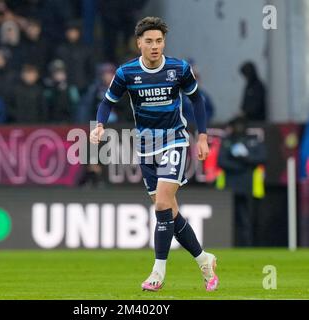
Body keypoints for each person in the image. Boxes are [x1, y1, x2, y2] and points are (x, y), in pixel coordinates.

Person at [89, 17, 218, 292]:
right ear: (139, 44)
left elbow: (196, 99)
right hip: (146, 147)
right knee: (169, 212)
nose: (155, 46)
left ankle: (157, 272)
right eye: (149, 41)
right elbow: (106, 102)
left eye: (159, 40)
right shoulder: (126, 73)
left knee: (161, 205)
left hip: (174, 141)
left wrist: (203, 136)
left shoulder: (178, 69)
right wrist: (98, 125)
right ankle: (204, 260)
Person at [217, 116, 267, 246]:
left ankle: (248, 245)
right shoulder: (227, 141)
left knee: (247, 219)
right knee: (229, 219)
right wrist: (243, 166)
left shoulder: (253, 141)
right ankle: (229, 244)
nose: (238, 128)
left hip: (249, 187)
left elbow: (262, 158)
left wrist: (245, 157)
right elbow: (221, 161)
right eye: (236, 125)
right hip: (229, 187)